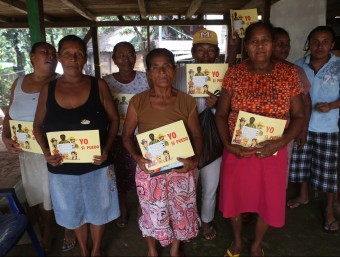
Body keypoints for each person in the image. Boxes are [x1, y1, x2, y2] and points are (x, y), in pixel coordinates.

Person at [215, 22, 305, 256]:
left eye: (265, 40)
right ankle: (237, 241)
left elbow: (298, 115)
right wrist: (227, 144)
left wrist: (281, 142)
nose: (260, 46)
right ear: (246, 46)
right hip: (238, 150)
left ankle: (256, 244)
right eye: (254, 41)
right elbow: (222, 113)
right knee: (235, 199)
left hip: (272, 151)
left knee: (268, 200)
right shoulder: (234, 73)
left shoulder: (288, 74)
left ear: (273, 44)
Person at [33, 35, 120, 257]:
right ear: (60, 57)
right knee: (74, 212)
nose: (73, 58)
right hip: (62, 167)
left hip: (97, 164)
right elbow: (37, 126)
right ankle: (84, 250)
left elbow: (115, 119)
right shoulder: (48, 89)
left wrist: (106, 149)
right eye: (68, 53)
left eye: (79, 53)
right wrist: (46, 153)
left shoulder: (98, 85)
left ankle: (96, 250)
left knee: (99, 210)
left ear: (85, 58)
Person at [122, 48, 203, 257]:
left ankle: (175, 249)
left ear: (174, 70)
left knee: (180, 212)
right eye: (156, 68)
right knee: (150, 211)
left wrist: (193, 161)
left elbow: (197, 136)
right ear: (148, 73)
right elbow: (127, 135)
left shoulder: (187, 101)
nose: (162, 72)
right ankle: (152, 250)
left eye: (167, 66)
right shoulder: (138, 101)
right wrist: (137, 158)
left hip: (179, 169)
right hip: (150, 169)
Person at [1, 41, 76, 253]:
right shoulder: (19, 82)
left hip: (55, 150)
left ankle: (69, 227)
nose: (50, 55)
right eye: (45, 52)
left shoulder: (62, 82)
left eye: (53, 52)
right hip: (28, 152)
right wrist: (6, 136)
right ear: (32, 56)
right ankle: (49, 229)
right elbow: (9, 115)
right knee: (40, 194)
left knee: (62, 191)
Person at [288, 26, 340, 233]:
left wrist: (332, 106)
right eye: (315, 41)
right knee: (302, 164)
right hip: (302, 127)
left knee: (327, 173)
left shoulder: (338, 66)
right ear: (308, 43)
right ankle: (303, 195)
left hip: (329, 129)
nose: (319, 46)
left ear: (332, 45)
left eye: (325, 41)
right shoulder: (298, 66)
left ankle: (328, 211)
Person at [173, 28, 221, 240]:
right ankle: (188, 222)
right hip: (186, 139)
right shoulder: (179, 73)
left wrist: (217, 106)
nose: (205, 54)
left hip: (213, 139)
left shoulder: (224, 74)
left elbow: (234, 110)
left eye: (210, 50)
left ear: (216, 53)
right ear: (193, 51)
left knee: (210, 185)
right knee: (187, 186)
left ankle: (207, 221)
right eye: (200, 49)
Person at [103, 41, 149, 228]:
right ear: (114, 59)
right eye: (121, 55)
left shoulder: (146, 79)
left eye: (130, 54)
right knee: (119, 173)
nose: (126, 59)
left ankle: (141, 205)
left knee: (142, 172)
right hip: (116, 135)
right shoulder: (105, 82)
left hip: (141, 135)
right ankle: (122, 206)